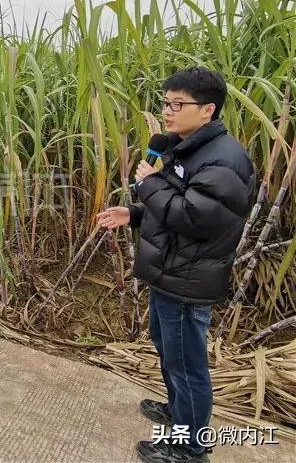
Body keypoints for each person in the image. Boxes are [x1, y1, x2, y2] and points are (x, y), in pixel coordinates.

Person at [97, 67, 255, 463]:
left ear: (208, 110)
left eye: (178, 104)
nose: (167, 111)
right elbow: (171, 206)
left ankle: (190, 446)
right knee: (169, 351)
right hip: (169, 272)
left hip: (188, 280)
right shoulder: (182, 147)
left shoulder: (225, 161)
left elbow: (195, 218)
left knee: (188, 367)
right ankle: (177, 410)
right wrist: (132, 214)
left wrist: (148, 184)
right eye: (166, 102)